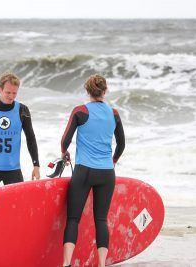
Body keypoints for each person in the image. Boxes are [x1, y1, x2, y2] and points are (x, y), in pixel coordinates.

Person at [60, 74, 125, 267]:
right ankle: (102, 264)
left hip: (84, 171)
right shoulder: (114, 113)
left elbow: (65, 140)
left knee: (73, 219)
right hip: (106, 173)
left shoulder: (80, 111)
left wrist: (65, 153)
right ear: (105, 91)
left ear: (87, 91)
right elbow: (121, 144)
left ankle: (66, 263)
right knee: (101, 219)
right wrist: (112, 161)